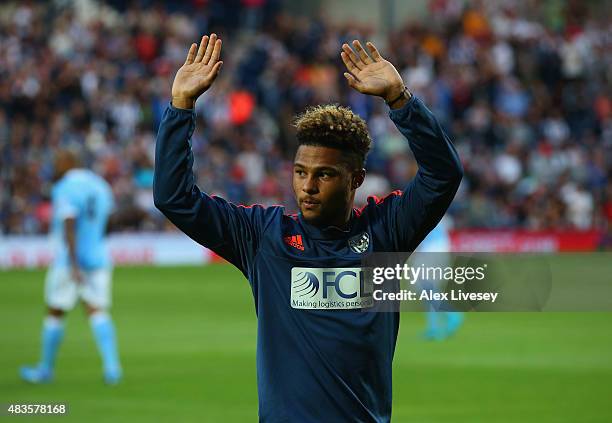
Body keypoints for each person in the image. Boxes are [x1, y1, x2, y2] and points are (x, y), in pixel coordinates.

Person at [154, 34, 463, 422]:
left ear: (356, 179)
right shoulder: (263, 237)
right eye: (300, 172)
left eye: (325, 174)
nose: (308, 186)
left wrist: (401, 101)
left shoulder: (386, 233)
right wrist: (180, 107)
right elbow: (174, 198)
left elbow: (443, 175)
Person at [20, 151, 122, 385]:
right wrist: (95, 241)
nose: (54, 167)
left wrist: (75, 263)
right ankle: (112, 367)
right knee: (97, 310)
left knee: (55, 309)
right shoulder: (100, 185)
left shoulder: (65, 187)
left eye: (56, 162)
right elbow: (110, 221)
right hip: (98, 258)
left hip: (70, 261)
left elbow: (69, 222)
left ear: (66, 164)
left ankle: (45, 369)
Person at [413, 217, 465, 340]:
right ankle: (433, 327)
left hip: (430, 251)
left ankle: (451, 315)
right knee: (429, 290)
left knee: (425, 288)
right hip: (441, 251)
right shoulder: (441, 213)